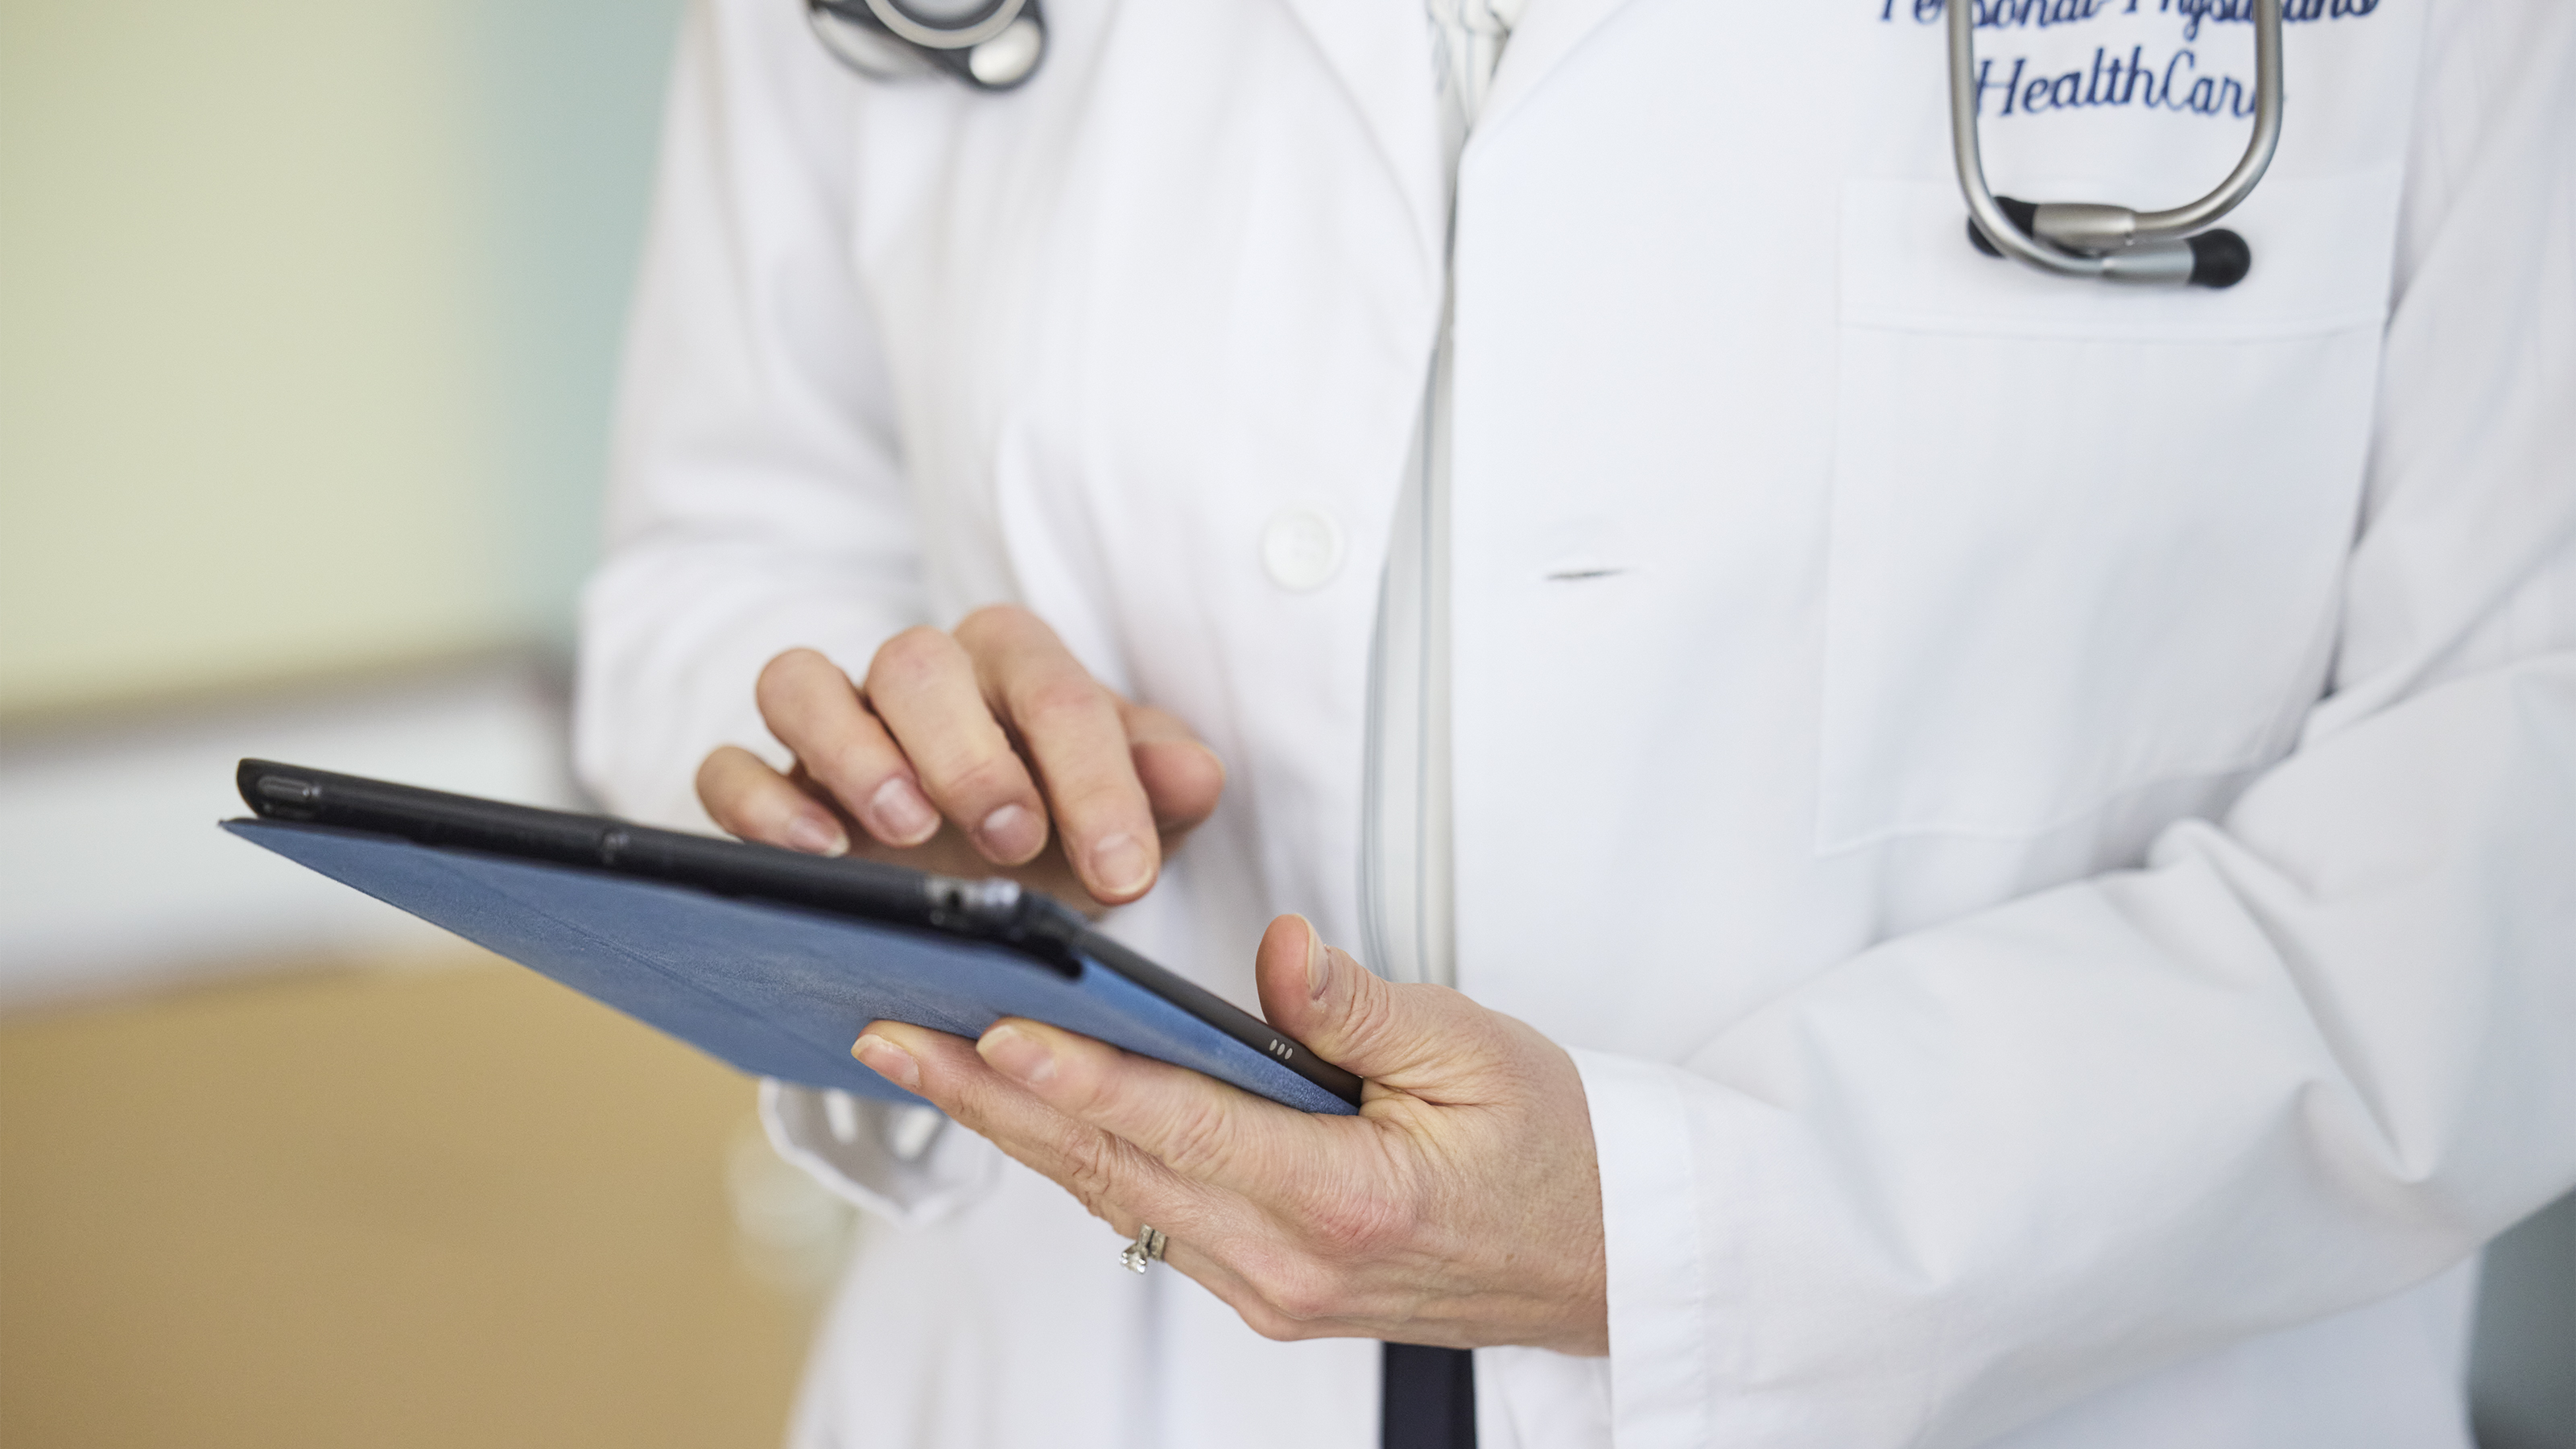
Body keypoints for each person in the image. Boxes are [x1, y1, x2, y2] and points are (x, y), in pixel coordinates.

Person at [575, 0, 2576, 1443]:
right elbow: (724, 537)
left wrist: (1708, 1223)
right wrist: (875, 772)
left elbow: (2515, 795)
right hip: (1047, 1374)